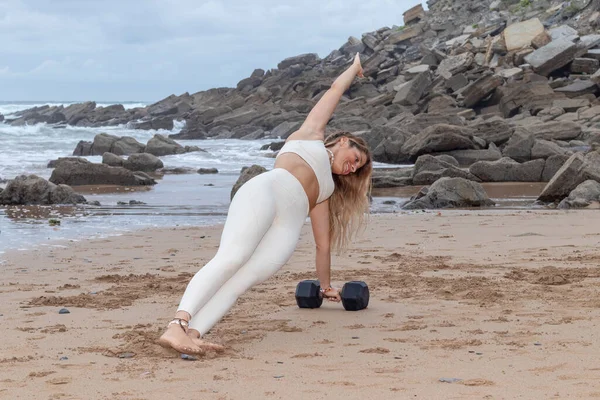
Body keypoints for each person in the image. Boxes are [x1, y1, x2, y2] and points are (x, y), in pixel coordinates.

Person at [158, 53, 373, 355]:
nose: (352, 167)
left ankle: (193, 334)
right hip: (267, 193)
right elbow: (334, 92)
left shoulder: (325, 190)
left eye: (357, 169)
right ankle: (176, 325)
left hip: (286, 227)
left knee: (241, 282)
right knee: (231, 258)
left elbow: (322, 245)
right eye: (355, 159)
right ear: (342, 141)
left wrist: (325, 288)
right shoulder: (309, 136)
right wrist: (353, 69)